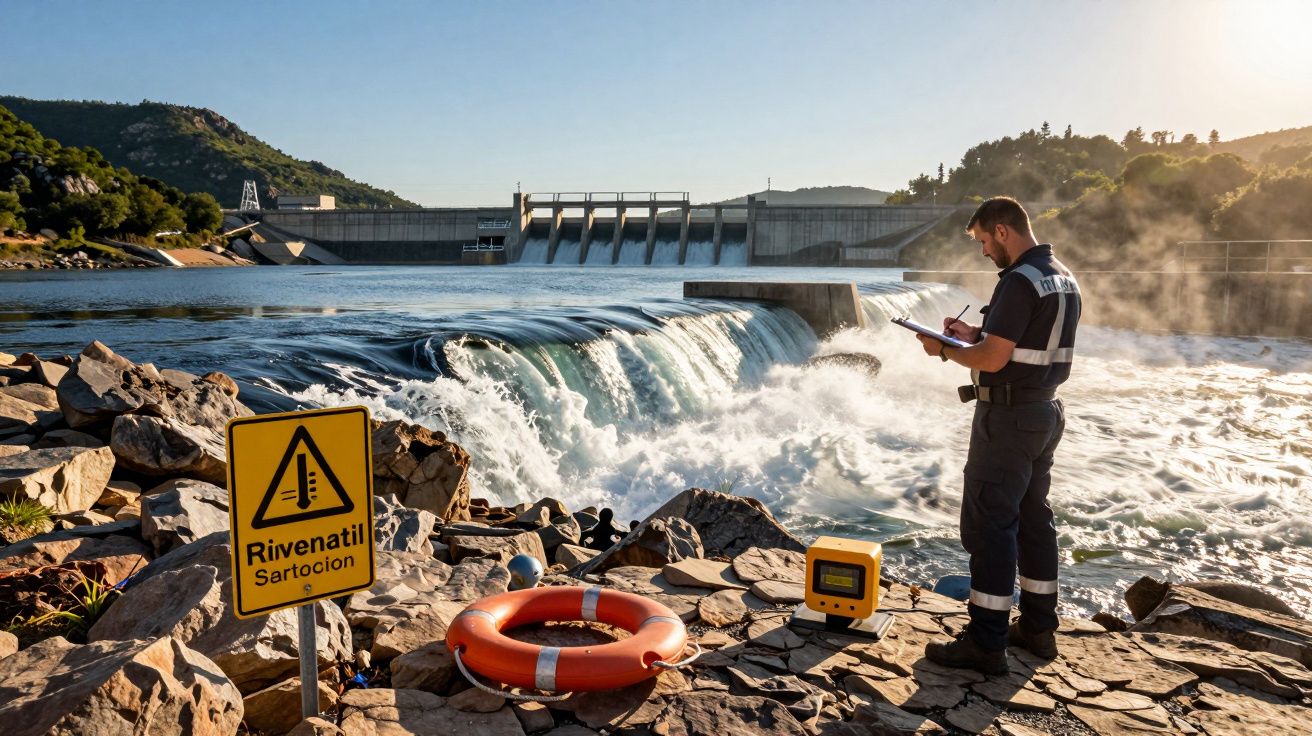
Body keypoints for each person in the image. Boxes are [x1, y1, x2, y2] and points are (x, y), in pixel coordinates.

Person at [913, 196, 1081, 674]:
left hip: (1008, 421)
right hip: (1045, 412)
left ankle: (986, 643)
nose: (984, 251)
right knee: (1032, 519)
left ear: (1003, 231)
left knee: (991, 527)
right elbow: (1019, 344)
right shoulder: (1061, 276)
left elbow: (993, 360)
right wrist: (972, 334)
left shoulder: (1019, 280)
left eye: (984, 241)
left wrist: (943, 350)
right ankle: (1038, 628)